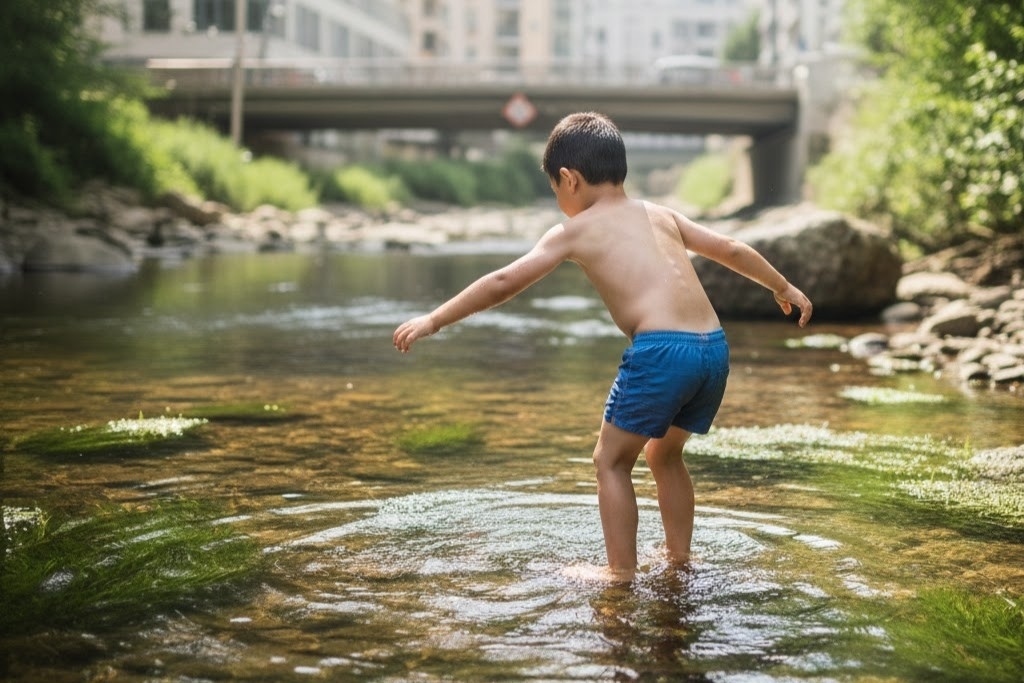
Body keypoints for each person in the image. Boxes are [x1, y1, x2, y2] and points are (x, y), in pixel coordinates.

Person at [393, 112, 812, 582]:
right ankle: (679, 559)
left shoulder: (575, 231)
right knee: (664, 454)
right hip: (712, 349)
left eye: (555, 189)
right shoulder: (660, 214)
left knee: (610, 460)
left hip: (661, 352)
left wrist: (434, 319)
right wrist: (781, 286)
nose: (559, 200)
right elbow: (730, 248)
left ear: (569, 179)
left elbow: (504, 281)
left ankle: (620, 574)